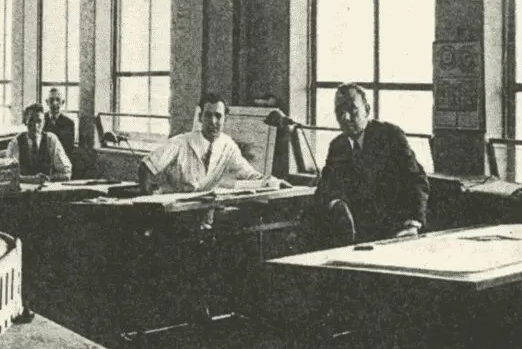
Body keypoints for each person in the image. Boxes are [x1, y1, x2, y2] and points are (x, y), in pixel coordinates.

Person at [303, 83, 429, 245]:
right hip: (356, 234)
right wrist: (336, 203)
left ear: (367, 110)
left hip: (395, 231)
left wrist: (413, 224)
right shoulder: (338, 146)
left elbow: (416, 180)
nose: (345, 117)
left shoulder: (390, 136)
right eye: (339, 111)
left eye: (352, 110)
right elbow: (325, 190)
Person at [139, 94, 287, 193]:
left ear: (225, 119)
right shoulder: (181, 143)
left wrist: (275, 182)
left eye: (218, 116)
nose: (213, 122)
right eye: (208, 115)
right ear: (200, 118)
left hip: (203, 211)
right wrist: (147, 200)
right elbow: (146, 166)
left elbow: (248, 174)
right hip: (173, 213)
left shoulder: (227, 145)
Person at [6, 103, 73, 182]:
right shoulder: (15, 143)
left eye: (39, 121)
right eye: (31, 120)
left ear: (44, 123)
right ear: (25, 121)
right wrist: (32, 179)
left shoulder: (51, 140)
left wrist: (48, 178)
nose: (35, 126)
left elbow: (67, 173)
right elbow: (9, 176)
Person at [43, 87, 76, 153]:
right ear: (47, 102)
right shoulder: (41, 120)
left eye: (58, 100)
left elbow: (69, 149)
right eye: (51, 100)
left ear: (62, 102)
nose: (54, 103)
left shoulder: (69, 123)